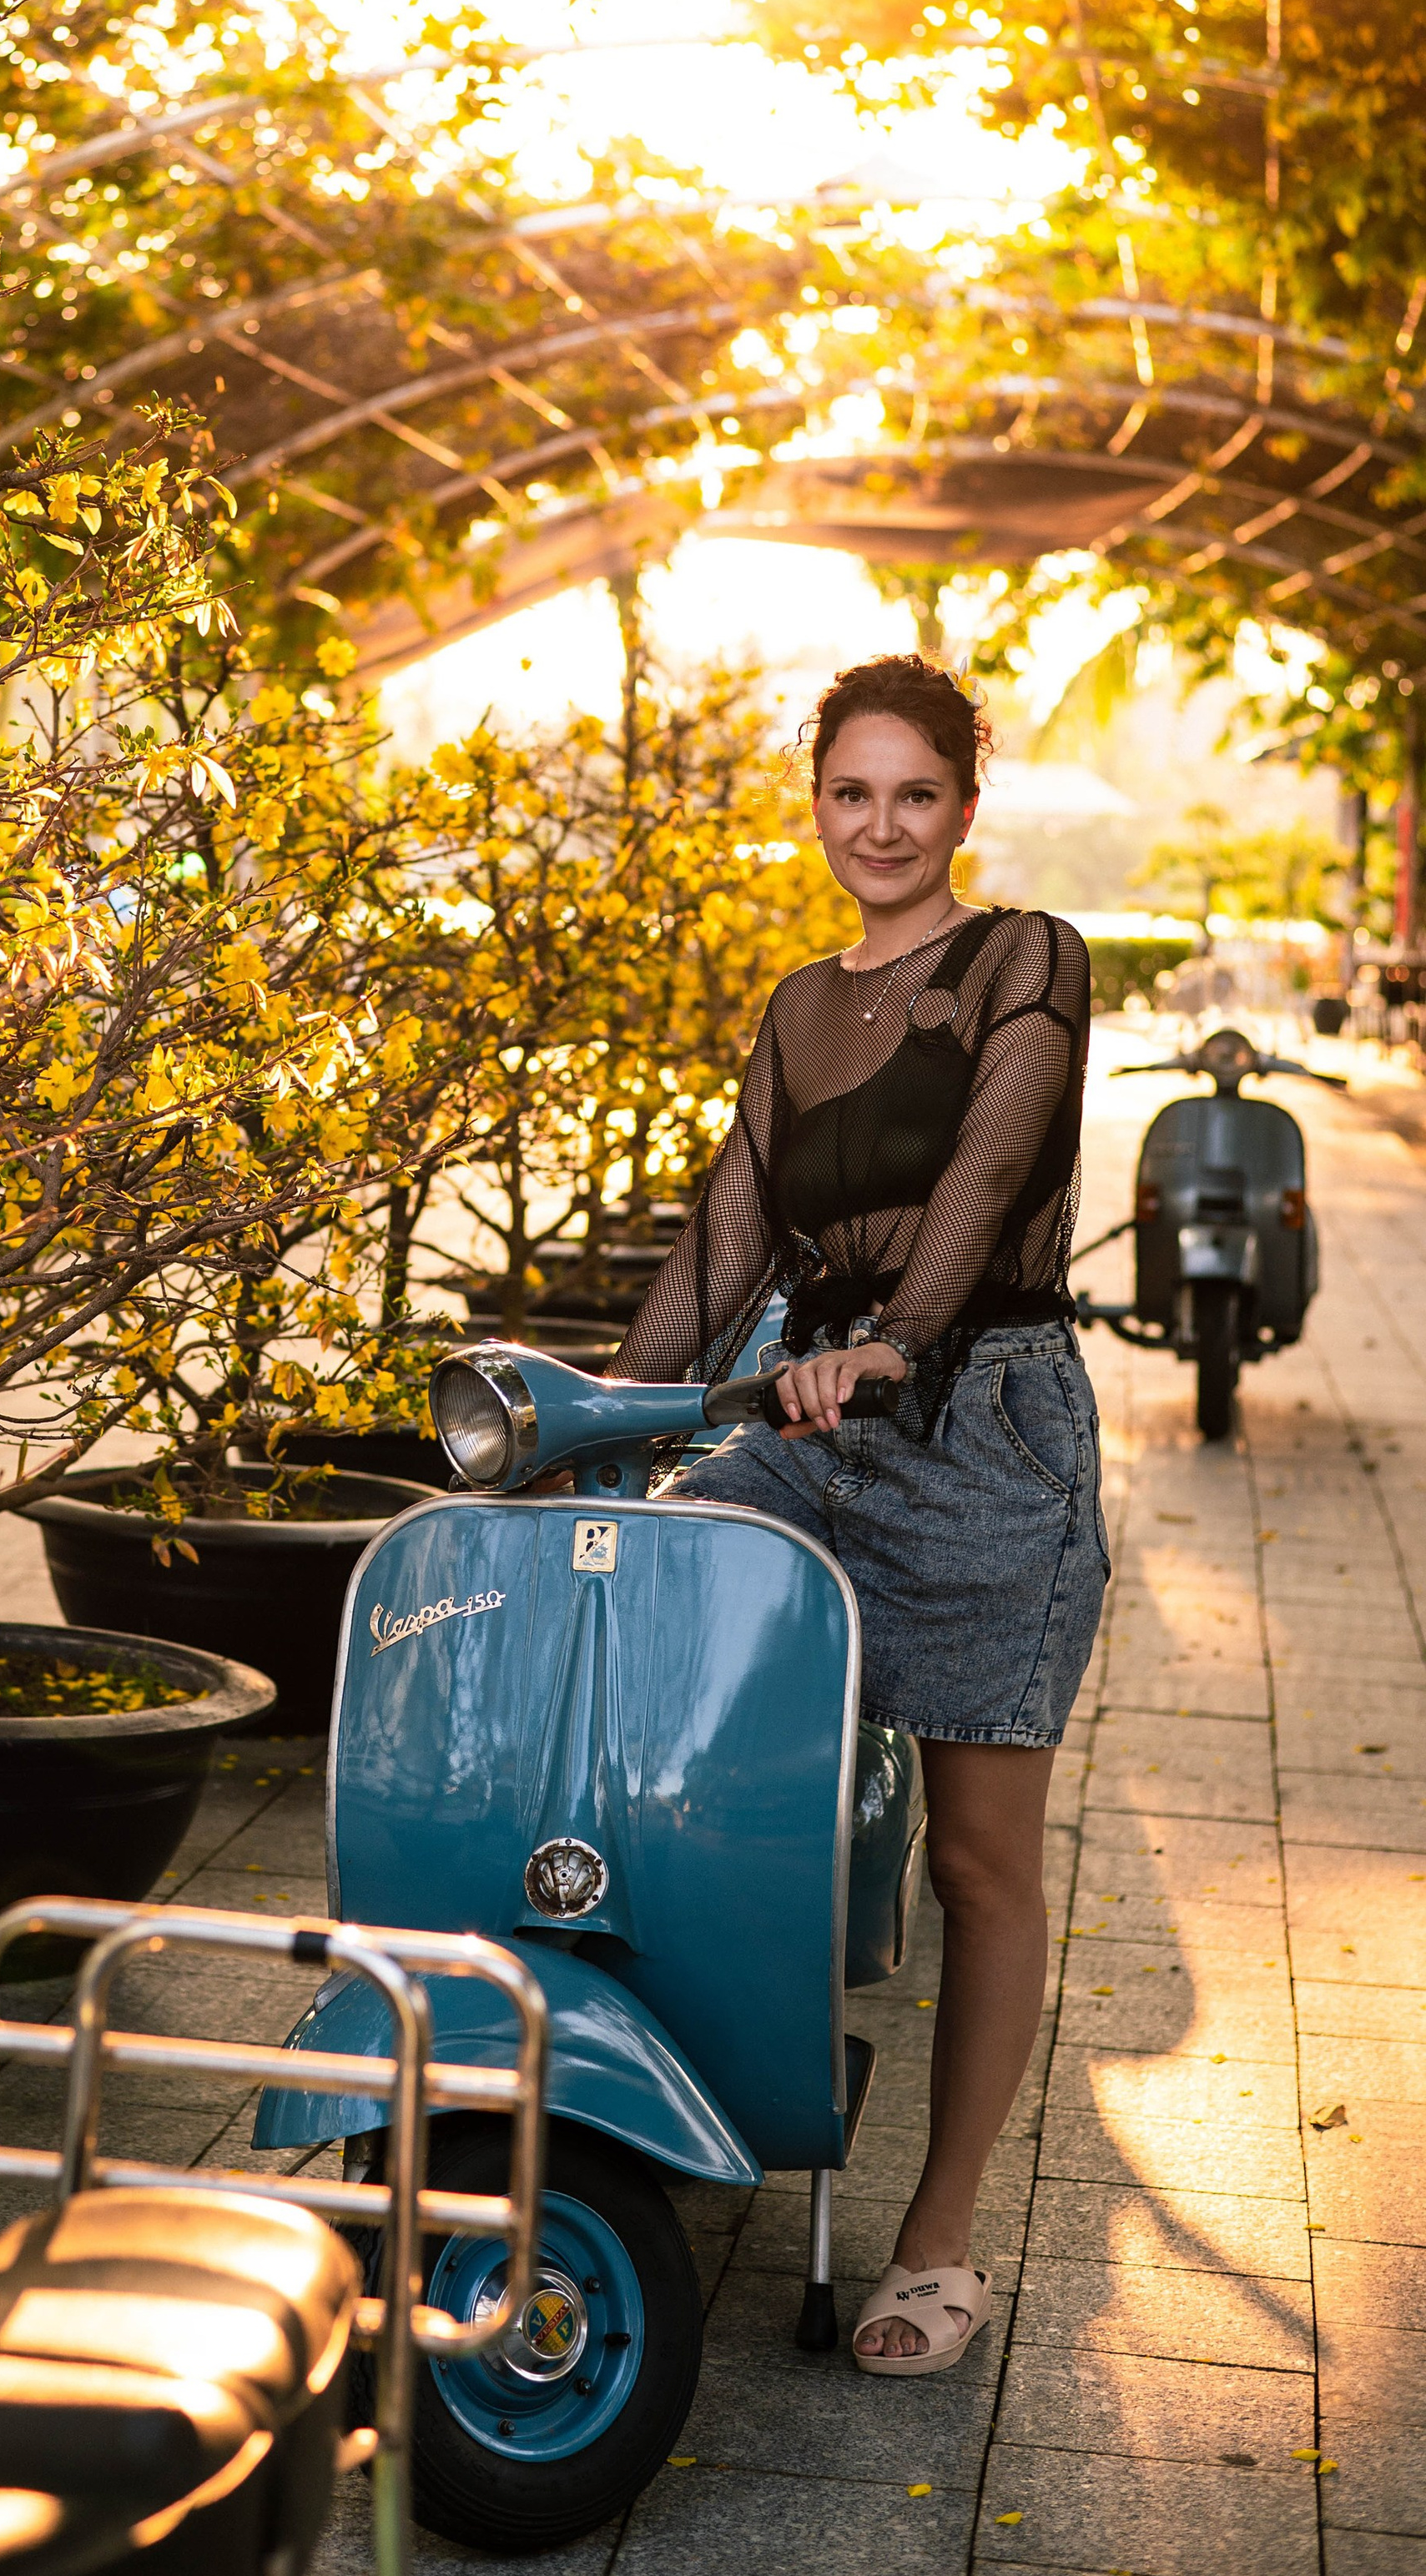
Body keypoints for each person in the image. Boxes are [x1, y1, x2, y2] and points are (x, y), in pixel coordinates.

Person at [609, 652, 1101, 2378]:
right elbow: (726, 1244)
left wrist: (899, 1338)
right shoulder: (793, 1006)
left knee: (979, 1861)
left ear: (964, 807)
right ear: (812, 803)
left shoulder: (1021, 957)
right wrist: (578, 1415)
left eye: (912, 793)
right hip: (810, 1425)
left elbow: (984, 1173)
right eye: (847, 791)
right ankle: (692, 2058)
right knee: (634, 1631)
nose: (877, 824)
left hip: (982, 1434)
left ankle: (938, 2238)